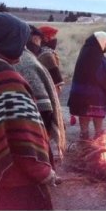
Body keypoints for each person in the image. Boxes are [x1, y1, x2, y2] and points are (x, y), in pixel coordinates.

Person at [0, 13, 57, 210]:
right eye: (21, 42)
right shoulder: (4, 77)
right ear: (10, 40)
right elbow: (23, 136)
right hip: (12, 181)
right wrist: (43, 172)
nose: (24, 48)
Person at [14, 29, 66, 163]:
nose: (54, 39)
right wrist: (53, 99)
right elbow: (57, 82)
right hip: (36, 107)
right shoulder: (37, 57)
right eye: (38, 39)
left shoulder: (26, 55)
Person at [67, 31, 106, 140]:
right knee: (93, 114)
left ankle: (85, 135)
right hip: (93, 93)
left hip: (83, 92)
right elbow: (99, 74)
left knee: (85, 113)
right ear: (100, 42)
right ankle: (95, 136)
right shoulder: (95, 55)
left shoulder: (88, 51)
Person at [38, 25, 65, 95]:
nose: (55, 39)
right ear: (46, 38)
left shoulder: (37, 51)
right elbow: (56, 83)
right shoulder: (47, 55)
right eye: (53, 36)